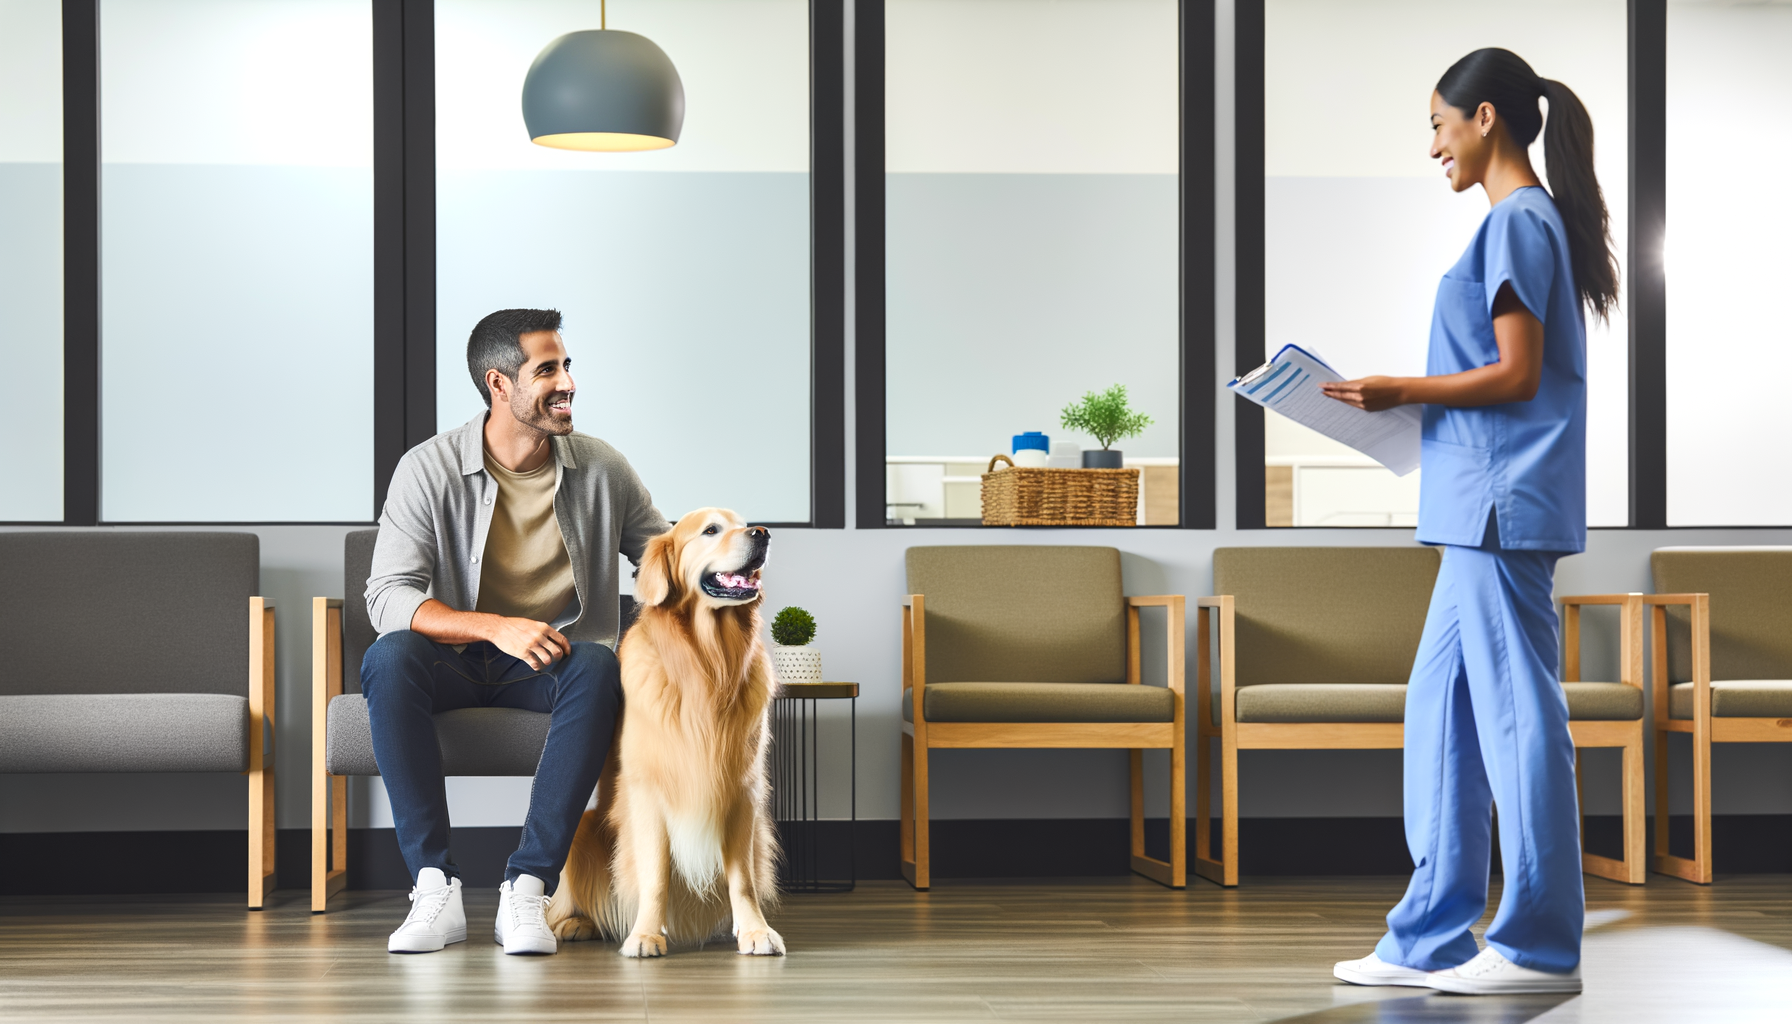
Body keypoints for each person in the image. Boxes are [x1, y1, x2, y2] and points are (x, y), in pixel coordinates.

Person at [1323, 49, 1619, 996]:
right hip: (1469, 507)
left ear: (1485, 117)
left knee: (1517, 716)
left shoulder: (1521, 221)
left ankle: (1538, 948)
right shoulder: (1511, 224)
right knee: (1441, 711)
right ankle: (1430, 936)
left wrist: (1395, 388)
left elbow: (1517, 373)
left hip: (1501, 505)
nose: (1434, 146)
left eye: (1440, 127)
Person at [362, 308, 668, 955]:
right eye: (547, 370)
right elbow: (388, 596)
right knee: (390, 657)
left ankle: (528, 889)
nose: (568, 383)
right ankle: (433, 886)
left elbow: (662, 559)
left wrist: (724, 564)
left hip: (550, 666)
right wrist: (496, 627)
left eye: (567, 366)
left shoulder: (601, 469)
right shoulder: (428, 468)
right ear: (499, 385)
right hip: (451, 662)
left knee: (596, 664)